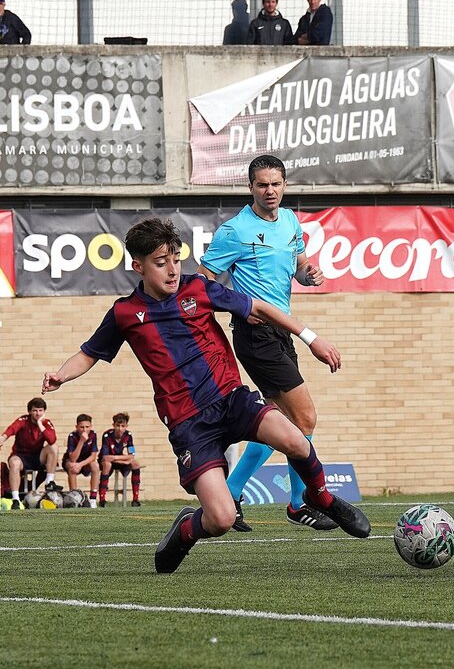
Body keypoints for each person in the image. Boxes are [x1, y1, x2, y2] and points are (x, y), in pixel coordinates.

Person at [42, 218, 371, 573]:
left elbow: (259, 308)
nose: (172, 270)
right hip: (189, 424)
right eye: (160, 263)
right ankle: (185, 531)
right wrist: (61, 375)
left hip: (231, 400)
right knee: (221, 519)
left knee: (295, 439)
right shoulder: (124, 313)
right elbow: (89, 353)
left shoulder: (198, 289)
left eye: (176, 259)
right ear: (138, 266)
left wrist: (312, 339)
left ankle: (319, 497)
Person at [198, 155, 334, 532]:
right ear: (250, 188)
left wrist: (308, 274)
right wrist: (240, 306)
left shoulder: (289, 221)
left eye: (275, 184)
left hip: (281, 331)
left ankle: (232, 493)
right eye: (262, 185)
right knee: (304, 417)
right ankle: (299, 503)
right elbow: (203, 282)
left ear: (284, 185)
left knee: (279, 421)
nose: (269, 191)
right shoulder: (235, 231)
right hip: (255, 334)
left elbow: (300, 266)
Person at [1, 398, 60, 508]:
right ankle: (15, 499)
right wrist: (3, 438)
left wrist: (40, 424)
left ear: (44, 411)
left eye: (40, 410)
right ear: (29, 411)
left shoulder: (46, 423)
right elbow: (12, 429)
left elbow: (52, 440)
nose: (38, 413)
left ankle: (49, 482)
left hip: (38, 456)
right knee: (14, 462)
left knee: (53, 447)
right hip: (21, 456)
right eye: (35, 410)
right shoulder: (23, 420)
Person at [98, 412, 143, 507]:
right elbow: (106, 457)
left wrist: (116, 458)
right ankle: (102, 499)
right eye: (117, 426)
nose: (120, 428)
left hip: (117, 459)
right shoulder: (107, 435)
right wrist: (124, 460)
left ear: (126, 426)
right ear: (113, 425)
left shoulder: (128, 435)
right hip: (107, 461)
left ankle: (135, 499)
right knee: (107, 464)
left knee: (135, 464)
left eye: (122, 426)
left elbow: (132, 455)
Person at [63, 413, 100, 507]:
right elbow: (73, 458)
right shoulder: (72, 436)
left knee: (95, 466)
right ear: (76, 427)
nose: (84, 430)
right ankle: (74, 497)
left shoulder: (93, 435)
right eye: (81, 427)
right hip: (73, 461)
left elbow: (93, 456)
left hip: (85, 462)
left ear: (91, 426)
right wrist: (81, 441)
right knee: (72, 466)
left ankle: (93, 499)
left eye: (87, 427)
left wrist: (80, 464)